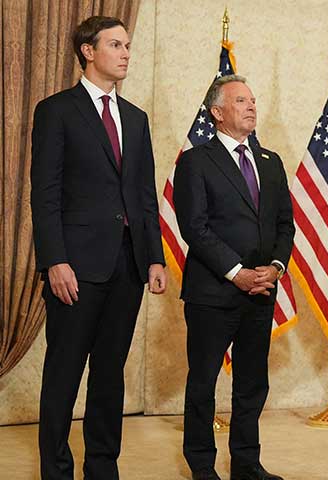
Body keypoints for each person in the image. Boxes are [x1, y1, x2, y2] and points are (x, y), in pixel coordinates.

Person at [30, 15, 167, 480]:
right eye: (115, 44)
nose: (126, 53)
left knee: (109, 376)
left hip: (127, 267)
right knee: (64, 375)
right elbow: (44, 195)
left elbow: (144, 196)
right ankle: (56, 471)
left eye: (128, 45)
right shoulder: (56, 111)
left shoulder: (136, 117)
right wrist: (54, 261)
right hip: (75, 267)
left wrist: (153, 257)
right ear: (88, 51)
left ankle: (103, 468)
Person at [173, 74, 294, 480]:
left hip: (261, 292)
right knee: (203, 384)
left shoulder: (270, 161)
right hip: (212, 293)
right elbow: (195, 227)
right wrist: (237, 272)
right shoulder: (195, 161)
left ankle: (246, 463)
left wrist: (275, 268)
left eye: (254, 100)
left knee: (252, 385)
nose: (251, 106)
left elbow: (285, 225)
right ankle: (202, 467)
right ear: (218, 112)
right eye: (241, 100)